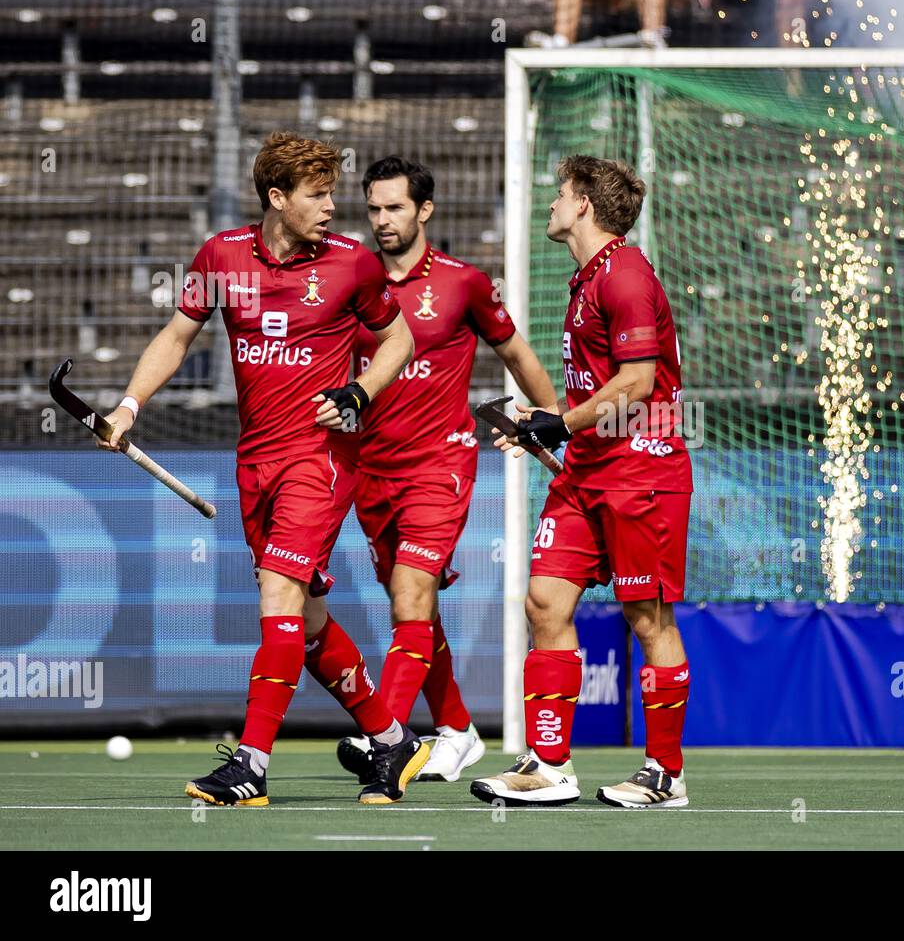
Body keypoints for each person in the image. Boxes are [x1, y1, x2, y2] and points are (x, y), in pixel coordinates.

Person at [100, 132, 428, 804]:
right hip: (254, 461)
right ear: (276, 198)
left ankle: (250, 764)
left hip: (320, 459)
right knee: (305, 627)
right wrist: (130, 405)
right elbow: (177, 333)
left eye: (333, 192)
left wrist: (359, 392)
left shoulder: (352, 263)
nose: (333, 206)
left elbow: (399, 338)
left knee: (276, 598)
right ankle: (391, 739)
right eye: (317, 194)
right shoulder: (220, 255)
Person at [471, 156, 694, 807]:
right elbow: (600, 391)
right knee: (544, 601)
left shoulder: (625, 271)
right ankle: (549, 764)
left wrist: (559, 424)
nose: (552, 204)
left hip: (642, 471)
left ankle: (666, 773)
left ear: (585, 206)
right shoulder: (588, 278)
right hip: (588, 472)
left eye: (561, 194)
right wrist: (541, 422)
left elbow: (637, 384)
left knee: (647, 617)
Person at [334, 156, 557, 785]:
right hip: (370, 471)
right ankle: (457, 730)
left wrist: (551, 417)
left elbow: (515, 351)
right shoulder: (353, 281)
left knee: (410, 595)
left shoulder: (464, 283)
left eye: (395, 208)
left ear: (424, 210)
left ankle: (389, 737)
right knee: (416, 610)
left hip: (441, 462)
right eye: (373, 208)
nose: (382, 220)